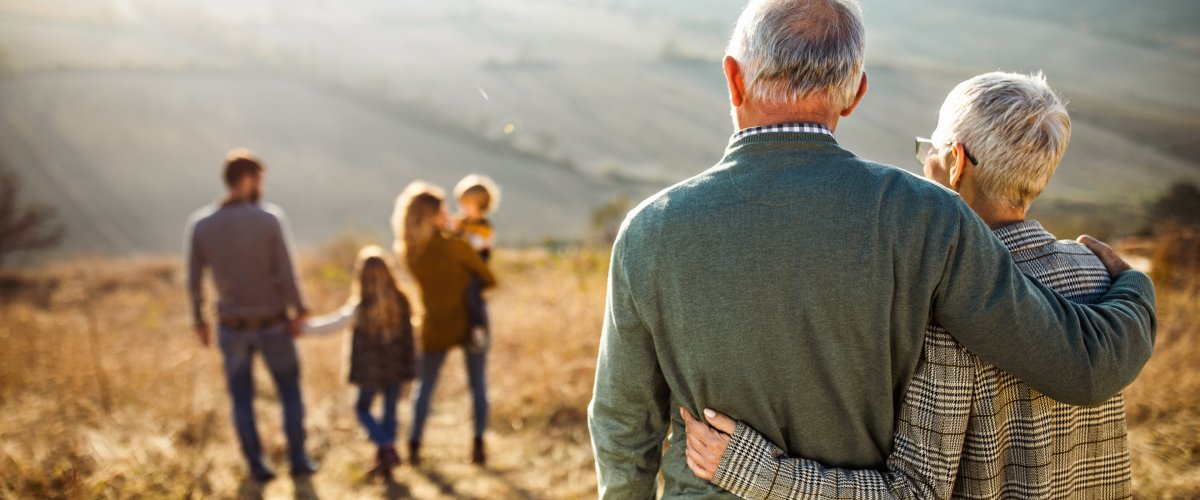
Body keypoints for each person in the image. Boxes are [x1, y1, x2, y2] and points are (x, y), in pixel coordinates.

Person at [586, 1, 1156, 498]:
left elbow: (623, 424)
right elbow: (1077, 365)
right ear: (855, 93)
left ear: (733, 79)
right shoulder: (928, 217)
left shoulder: (649, 230)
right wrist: (1132, 286)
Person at [682, 72, 1138, 499]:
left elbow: (914, 491)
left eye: (930, 152)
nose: (924, 166)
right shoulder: (1098, 273)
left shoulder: (942, 301)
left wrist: (755, 471)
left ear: (955, 163)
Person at [185, 148, 317, 482]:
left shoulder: (202, 224)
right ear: (247, 179)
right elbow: (286, 272)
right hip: (273, 323)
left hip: (230, 327)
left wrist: (199, 321)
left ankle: (257, 466)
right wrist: (299, 309)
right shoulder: (268, 219)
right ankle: (298, 460)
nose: (262, 187)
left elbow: (193, 279)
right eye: (260, 180)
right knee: (290, 392)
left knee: (241, 399)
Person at [392, 181, 498, 466]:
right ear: (434, 214)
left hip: (434, 323)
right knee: (477, 384)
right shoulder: (456, 246)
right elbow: (488, 277)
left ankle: (414, 445)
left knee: (424, 386)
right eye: (443, 209)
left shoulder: (410, 253)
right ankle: (478, 445)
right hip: (471, 320)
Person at [305, 246, 417, 478]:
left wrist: (303, 328)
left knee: (362, 408)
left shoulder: (361, 306)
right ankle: (386, 452)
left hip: (369, 371)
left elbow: (332, 324)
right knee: (390, 412)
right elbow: (410, 338)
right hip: (395, 368)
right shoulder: (402, 301)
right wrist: (410, 366)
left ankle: (386, 448)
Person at [451, 174, 502, 352]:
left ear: (481, 206)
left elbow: (477, 245)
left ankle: (478, 328)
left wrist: (460, 235)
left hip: (477, 270)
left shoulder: (484, 227)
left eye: (467, 205)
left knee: (473, 295)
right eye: (461, 204)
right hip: (461, 270)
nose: (463, 208)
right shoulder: (460, 222)